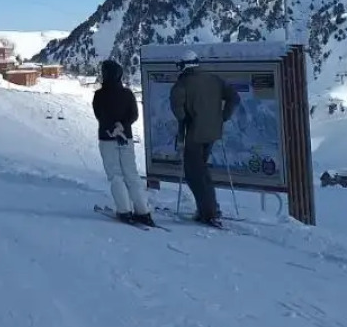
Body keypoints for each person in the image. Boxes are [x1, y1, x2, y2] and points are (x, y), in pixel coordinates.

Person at [169, 51, 240, 227]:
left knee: (194, 174)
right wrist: (224, 116)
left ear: (184, 65)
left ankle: (208, 212)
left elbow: (177, 110)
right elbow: (234, 97)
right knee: (202, 170)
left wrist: (185, 119)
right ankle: (209, 207)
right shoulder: (214, 79)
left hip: (194, 133)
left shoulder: (182, 84)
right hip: (214, 132)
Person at [92, 59, 154, 225]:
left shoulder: (99, 95)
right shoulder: (128, 94)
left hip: (107, 137)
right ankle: (143, 211)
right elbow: (134, 115)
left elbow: (100, 116)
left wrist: (113, 127)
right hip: (126, 137)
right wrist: (122, 125)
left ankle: (124, 210)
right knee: (131, 174)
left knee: (116, 175)